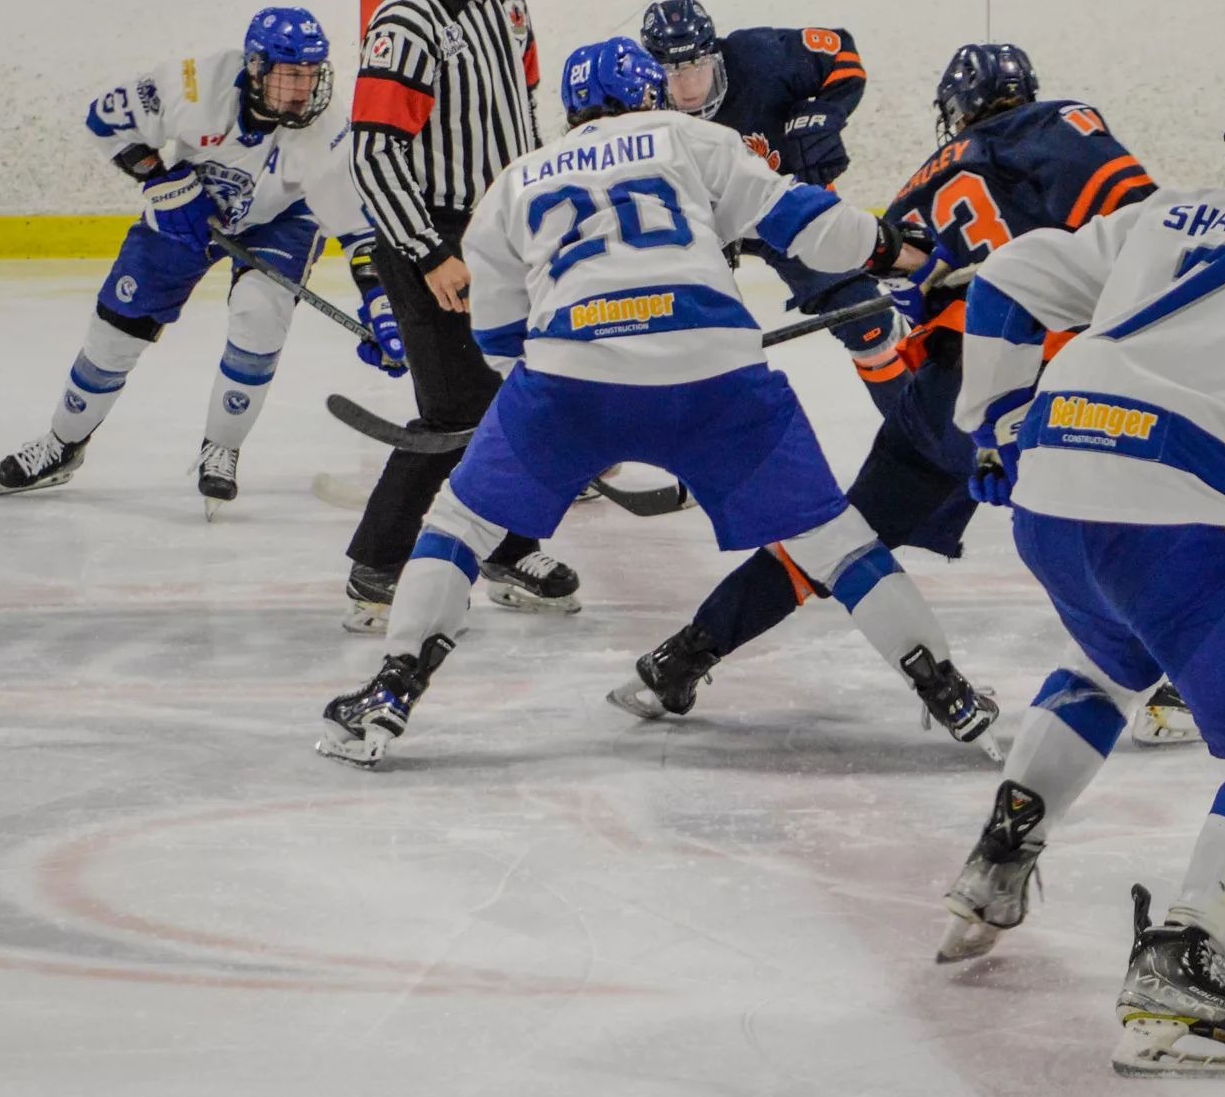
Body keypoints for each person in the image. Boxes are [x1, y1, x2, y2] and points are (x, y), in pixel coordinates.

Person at [317, 37, 997, 767]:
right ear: (650, 94)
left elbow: (501, 338)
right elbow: (809, 224)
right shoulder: (686, 134)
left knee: (460, 523)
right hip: (718, 374)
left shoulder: (514, 180)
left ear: (570, 109)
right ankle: (947, 689)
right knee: (835, 541)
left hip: (569, 379)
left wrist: (565, 420)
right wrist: (898, 250)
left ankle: (393, 687)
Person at [936, 71, 1225, 1080]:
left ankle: (1002, 850)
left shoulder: (1160, 213)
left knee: (1109, 662)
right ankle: (1181, 960)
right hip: (1175, 503)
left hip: (1055, 475)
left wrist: (997, 422)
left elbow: (1007, 279)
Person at [627, 42, 1159, 733]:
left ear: (957, 111)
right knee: (1131, 526)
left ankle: (686, 654)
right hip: (1037, 385)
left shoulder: (922, 183)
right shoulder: (1061, 123)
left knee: (843, 537)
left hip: (940, 398)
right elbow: (1144, 222)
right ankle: (1179, 681)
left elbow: (915, 281)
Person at [346, 0, 579, 632]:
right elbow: (374, 153)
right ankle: (378, 562)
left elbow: (521, 116)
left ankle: (510, 548)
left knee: (515, 400)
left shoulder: (506, 0)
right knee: (455, 413)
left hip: (504, 233)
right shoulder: (406, 20)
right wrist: (428, 253)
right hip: (433, 236)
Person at [0, 9, 353, 508]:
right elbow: (104, 120)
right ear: (255, 67)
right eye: (291, 74)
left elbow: (357, 221)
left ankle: (221, 449)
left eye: (311, 74)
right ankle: (62, 444)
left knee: (260, 316)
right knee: (115, 335)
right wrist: (163, 182)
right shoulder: (194, 85)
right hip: (189, 209)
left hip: (283, 217)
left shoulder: (330, 126)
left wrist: (381, 300)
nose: (303, 89)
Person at [636, 0, 893, 385]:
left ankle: (917, 419)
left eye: (696, 67)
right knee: (680, 345)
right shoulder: (635, 100)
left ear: (715, 55)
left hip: (781, 205)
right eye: (672, 72)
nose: (688, 86)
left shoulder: (761, 57)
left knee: (867, 322)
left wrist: (827, 114)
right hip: (698, 227)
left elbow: (842, 52)